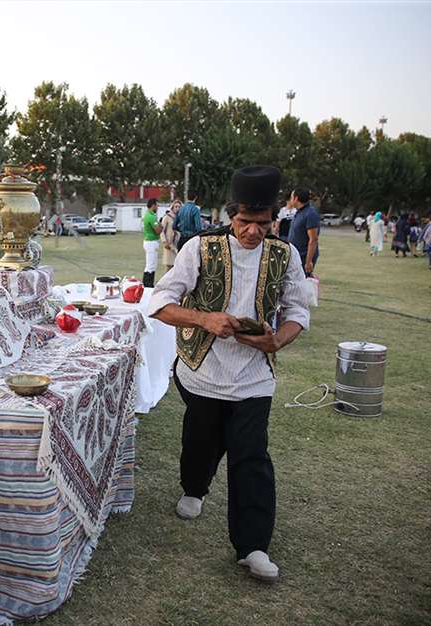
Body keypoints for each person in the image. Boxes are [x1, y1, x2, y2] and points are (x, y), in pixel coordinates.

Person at [147, 165, 309, 585]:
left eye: (262, 223)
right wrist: (204, 319)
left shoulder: (284, 254)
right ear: (230, 215)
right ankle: (194, 489)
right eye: (244, 223)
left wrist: (279, 340)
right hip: (202, 371)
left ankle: (253, 546)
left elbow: (297, 309)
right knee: (202, 441)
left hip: (254, 377)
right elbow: (161, 301)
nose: (253, 232)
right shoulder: (200, 248)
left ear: (273, 219)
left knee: (251, 456)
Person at [287, 188, 319, 275]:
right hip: (294, 255)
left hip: (303, 256)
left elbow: (313, 239)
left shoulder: (310, 214)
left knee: (301, 285)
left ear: (296, 198)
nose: (290, 200)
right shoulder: (298, 212)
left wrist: (308, 262)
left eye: (291, 197)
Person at [141, 198, 162, 286]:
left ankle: (147, 284)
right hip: (151, 242)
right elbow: (158, 231)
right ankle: (148, 284)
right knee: (151, 265)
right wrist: (161, 226)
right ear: (153, 205)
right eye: (157, 205)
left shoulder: (147, 215)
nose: (158, 207)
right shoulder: (152, 217)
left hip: (148, 241)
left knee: (150, 264)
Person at [161, 200, 181, 270]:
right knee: (169, 267)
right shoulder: (167, 217)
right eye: (176, 206)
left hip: (177, 244)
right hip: (169, 244)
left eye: (179, 207)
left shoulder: (180, 218)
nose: (177, 208)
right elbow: (162, 230)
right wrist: (164, 241)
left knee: (176, 267)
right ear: (172, 207)